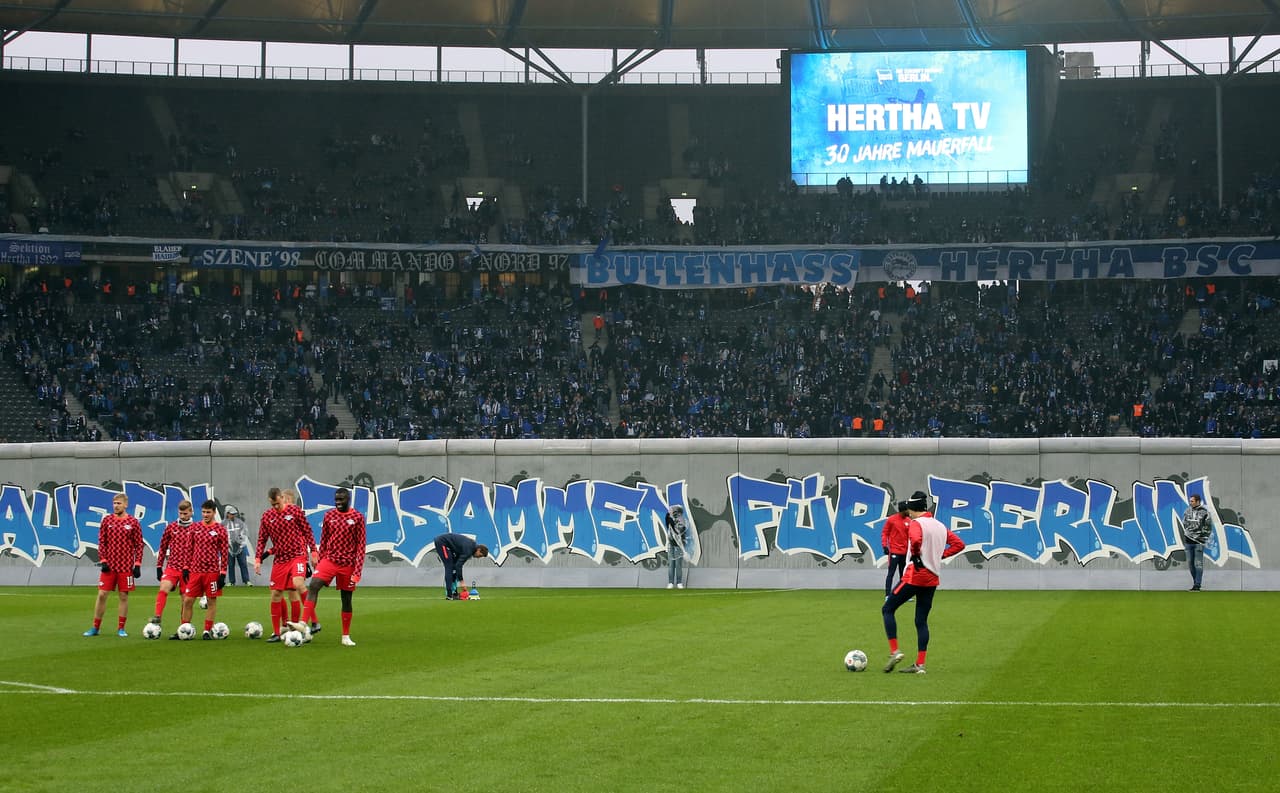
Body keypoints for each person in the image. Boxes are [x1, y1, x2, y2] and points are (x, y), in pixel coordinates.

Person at [882, 490, 965, 675]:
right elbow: (959, 544)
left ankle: (895, 651)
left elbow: (917, 540)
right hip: (932, 578)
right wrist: (941, 554)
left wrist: (918, 555)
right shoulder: (940, 525)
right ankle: (920, 665)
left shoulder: (916, 523)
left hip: (915, 575)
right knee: (921, 620)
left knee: (887, 609)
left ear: (912, 509)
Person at [294, 488, 366, 646]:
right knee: (314, 584)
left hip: (348, 564)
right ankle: (303, 623)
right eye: (336, 500)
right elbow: (324, 539)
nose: (338, 502)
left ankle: (345, 636)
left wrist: (357, 572)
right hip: (329, 560)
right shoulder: (329, 515)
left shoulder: (358, 517)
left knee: (346, 599)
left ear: (349, 499)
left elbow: (361, 546)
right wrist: (320, 562)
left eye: (341, 500)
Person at [254, 487, 318, 642]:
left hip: (297, 556)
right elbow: (262, 539)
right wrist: (258, 559)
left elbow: (308, 531)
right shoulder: (267, 516)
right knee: (276, 594)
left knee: (297, 584)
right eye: (272, 504)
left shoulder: (295, 511)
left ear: (281, 497)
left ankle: (313, 621)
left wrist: (314, 552)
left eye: (277, 503)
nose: (276, 507)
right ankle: (277, 632)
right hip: (280, 560)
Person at [84, 492, 143, 637]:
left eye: (119, 503)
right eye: (114, 503)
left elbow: (139, 545)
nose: (116, 506)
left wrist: (137, 564)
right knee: (102, 594)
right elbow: (102, 542)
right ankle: (95, 627)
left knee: (123, 596)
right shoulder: (107, 520)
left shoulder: (133, 522)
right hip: (109, 566)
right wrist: (103, 560)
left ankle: (121, 628)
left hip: (125, 567)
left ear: (125, 505)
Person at [174, 500, 228, 640]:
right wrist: (186, 567)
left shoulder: (220, 529)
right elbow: (189, 549)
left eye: (208, 512)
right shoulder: (195, 527)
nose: (205, 514)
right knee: (187, 601)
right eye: (203, 512)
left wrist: (223, 573)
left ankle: (206, 630)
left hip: (212, 572)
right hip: (195, 572)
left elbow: (224, 553)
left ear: (214, 512)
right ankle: (184, 629)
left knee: (211, 601)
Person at [149, 499, 195, 629]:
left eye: (185, 513)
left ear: (191, 512)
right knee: (163, 588)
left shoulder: (196, 528)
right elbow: (163, 547)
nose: (182, 516)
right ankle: (157, 616)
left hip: (189, 570)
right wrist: (159, 566)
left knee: (186, 600)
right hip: (172, 566)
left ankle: (184, 627)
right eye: (180, 513)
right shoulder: (171, 527)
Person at [433, 533, 489, 600]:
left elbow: (457, 565)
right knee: (449, 566)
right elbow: (459, 566)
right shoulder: (468, 550)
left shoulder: (470, 548)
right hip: (442, 543)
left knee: (453, 567)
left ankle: (454, 593)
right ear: (479, 550)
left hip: (449, 546)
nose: (478, 558)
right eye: (480, 555)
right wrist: (462, 582)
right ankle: (449, 595)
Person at [1181, 493, 1213, 591]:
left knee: (1198, 563)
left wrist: (1202, 537)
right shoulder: (1187, 511)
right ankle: (1195, 582)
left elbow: (1208, 526)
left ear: (1198, 501)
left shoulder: (1205, 512)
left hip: (1199, 542)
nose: (1190, 503)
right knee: (1190, 563)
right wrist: (1188, 533)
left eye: (1192, 501)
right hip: (1188, 541)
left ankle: (1197, 585)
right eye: (1190, 501)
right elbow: (1184, 523)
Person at [881, 500, 910, 597]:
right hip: (894, 552)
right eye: (907, 509)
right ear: (903, 510)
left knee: (904, 574)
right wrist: (885, 545)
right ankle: (887, 595)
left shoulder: (909, 521)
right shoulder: (891, 520)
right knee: (891, 573)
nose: (909, 511)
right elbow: (885, 533)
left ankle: (902, 595)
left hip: (905, 553)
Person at [224, 505, 252, 586]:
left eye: (234, 514)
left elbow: (245, 533)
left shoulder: (240, 522)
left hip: (240, 546)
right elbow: (221, 535)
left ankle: (246, 580)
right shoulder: (223, 524)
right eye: (231, 514)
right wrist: (227, 545)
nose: (233, 515)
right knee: (230, 564)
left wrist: (242, 543)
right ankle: (232, 582)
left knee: (243, 563)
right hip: (229, 547)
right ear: (227, 513)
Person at [665, 505, 688, 589]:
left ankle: (679, 582)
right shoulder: (670, 519)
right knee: (671, 564)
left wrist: (674, 524)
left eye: (674, 511)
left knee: (678, 564)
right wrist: (668, 521)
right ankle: (670, 582)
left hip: (679, 545)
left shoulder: (682, 520)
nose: (673, 513)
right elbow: (668, 528)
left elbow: (681, 531)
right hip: (670, 544)